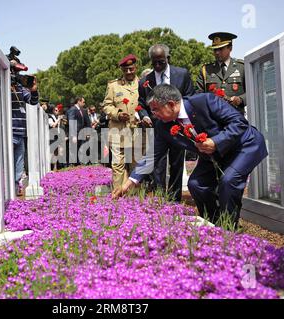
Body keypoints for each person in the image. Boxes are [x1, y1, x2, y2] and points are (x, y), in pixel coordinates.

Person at [113, 84, 268, 227]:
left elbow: (239, 123)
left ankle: (229, 227)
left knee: (228, 181)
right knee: (196, 184)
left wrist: (215, 141)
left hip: (243, 145)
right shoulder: (163, 126)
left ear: (172, 105)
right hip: (214, 155)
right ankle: (213, 223)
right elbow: (153, 154)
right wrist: (131, 181)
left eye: (156, 110)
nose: (153, 114)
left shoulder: (205, 101)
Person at [138, 44, 195, 202]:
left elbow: (190, 97)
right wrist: (144, 115)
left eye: (161, 62)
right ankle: (160, 199)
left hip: (179, 128)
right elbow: (141, 104)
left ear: (168, 59)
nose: (157, 66)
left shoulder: (182, 74)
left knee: (177, 164)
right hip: (158, 129)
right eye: (154, 63)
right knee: (158, 165)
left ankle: (175, 199)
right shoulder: (145, 81)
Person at [103, 54, 141, 190]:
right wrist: (118, 114)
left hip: (137, 131)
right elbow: (106, 105)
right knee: (118, 164)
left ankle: (135, 197)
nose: (129, 72)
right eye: (125, 70)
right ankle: (118, 195)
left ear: (136, 67)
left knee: (136, 164)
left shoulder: (142, 84)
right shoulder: (114, 86)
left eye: (131, 69)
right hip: (118, 131)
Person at [197, 32, 246, 115]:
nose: (217, 52)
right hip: (214, 120)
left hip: (236, 118)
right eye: (215, 49)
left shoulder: (242, 67)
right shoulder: (205, 70)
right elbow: (198, 95)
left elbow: (251, 92)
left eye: (221, 49)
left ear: (230, 48)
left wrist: (240, 99)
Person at [10, 59, 39, 196]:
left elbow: (33, 102)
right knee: (8, 163)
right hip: (8, 132)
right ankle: (8, 188)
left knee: (19, 165)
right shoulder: (2, 85)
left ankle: (16, 187)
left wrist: (33, 91)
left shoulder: (21, 88)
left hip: (20, 132)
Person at [67, 97, 89, 165]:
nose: (84, 103)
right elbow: (72, 122)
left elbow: (86, 122)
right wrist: (73, 135)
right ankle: (73, 166)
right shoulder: (73, 110)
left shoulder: (82, 110)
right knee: (74, 151)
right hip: (75, 134)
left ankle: (80, 165)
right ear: (79, 101)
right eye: (83, 102)